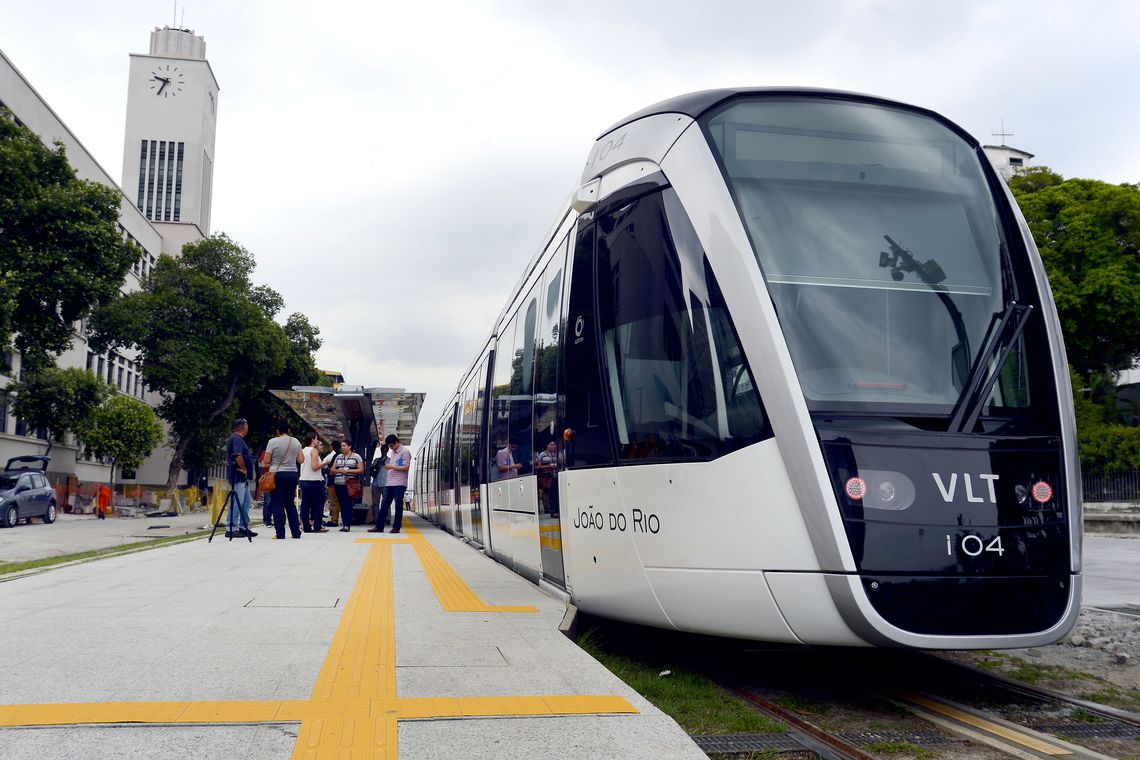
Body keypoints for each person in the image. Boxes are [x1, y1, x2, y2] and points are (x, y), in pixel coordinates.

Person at [262, 420, 304, 539]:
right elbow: (301, 459)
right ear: (288, 430)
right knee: (290, 503)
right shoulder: (295, 441)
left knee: (277, 503)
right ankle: (296, 532)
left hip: (277, 474)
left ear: (277, 431)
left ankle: (280, 533)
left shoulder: (272, 442)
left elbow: (266, 461)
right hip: (292, 474)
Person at [225, 418, 256, 538]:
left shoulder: (239, 440)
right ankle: (230, 528)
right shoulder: (236, 439)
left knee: (246, 501)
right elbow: (238, 456)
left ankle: (244, 526)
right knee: (237, 502)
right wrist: (243, 468)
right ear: (243, 427)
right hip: (238, 476)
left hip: (243, 478)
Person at [378, 434, 411, 534]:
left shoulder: (405, 452)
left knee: (398, 506)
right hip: (390, 483)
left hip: (399, 483)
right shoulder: (393, 453)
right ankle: (379, 527)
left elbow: (406, 467)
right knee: (384, 505)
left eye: (392, 445)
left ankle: (396, 527)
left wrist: (392, 467)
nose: (391, 448)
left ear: (397, 442)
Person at [330, 440, 364, 532]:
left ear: (350, 446)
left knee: (347, 504)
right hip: (338, 484)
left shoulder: (356, 456)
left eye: (344, 446)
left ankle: (347, 525)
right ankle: (345, 523)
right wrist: (338, 470)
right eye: (342, 446)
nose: (342, 447)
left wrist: (348, 471)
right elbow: (332, 470)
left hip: (349, 484)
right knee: (341, 504)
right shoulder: (338, 457)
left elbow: (361, 470)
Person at [298, 432, 329, 533]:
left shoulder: (303, 450)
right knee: (318, 504)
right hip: (314, 481)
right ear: (312, 440)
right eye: (316, 439)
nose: (317, 441)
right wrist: (325, 462)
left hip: (304, 479)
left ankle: (306, 526)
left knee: (305, 504)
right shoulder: (314, 451)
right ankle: (317, 526)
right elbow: (315, 467)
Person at [366, 443, 390, 531]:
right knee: (375, 503)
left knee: (386, 502)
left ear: (387, 450)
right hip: (376, 483)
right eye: (382, 450)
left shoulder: (390, 460)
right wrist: (375, 467)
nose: (383, 451)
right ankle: (376, 519)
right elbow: (370, 469)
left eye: (385, 450)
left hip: (386, 483)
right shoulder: (376, 460)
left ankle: (387, 518)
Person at [535, 439, 559, 517]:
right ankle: (549, 510)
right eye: (551, 445)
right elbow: (538, 466)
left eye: (554, 445)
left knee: (555, 493)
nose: (553, 446)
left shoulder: (558, 453)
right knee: (547, 493)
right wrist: (549, 466)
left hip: (556, 476)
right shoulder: (542, 454)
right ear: (547, 446)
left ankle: (555, 510)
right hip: (546, 477)